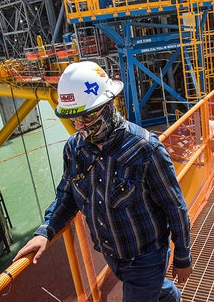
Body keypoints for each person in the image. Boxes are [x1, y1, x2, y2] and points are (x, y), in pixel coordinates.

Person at [13, 61, 193, 301]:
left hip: (145, 258)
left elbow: (175, 207)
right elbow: (67, 195)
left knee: (144, 288)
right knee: (154, 289)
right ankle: (169, 295)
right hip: (111, 255)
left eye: (86, 118)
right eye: (74, 120)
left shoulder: (145, 149)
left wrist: (182, 257)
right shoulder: (75, 148)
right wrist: (45, 231)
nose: (79, 127)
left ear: (109, 106)